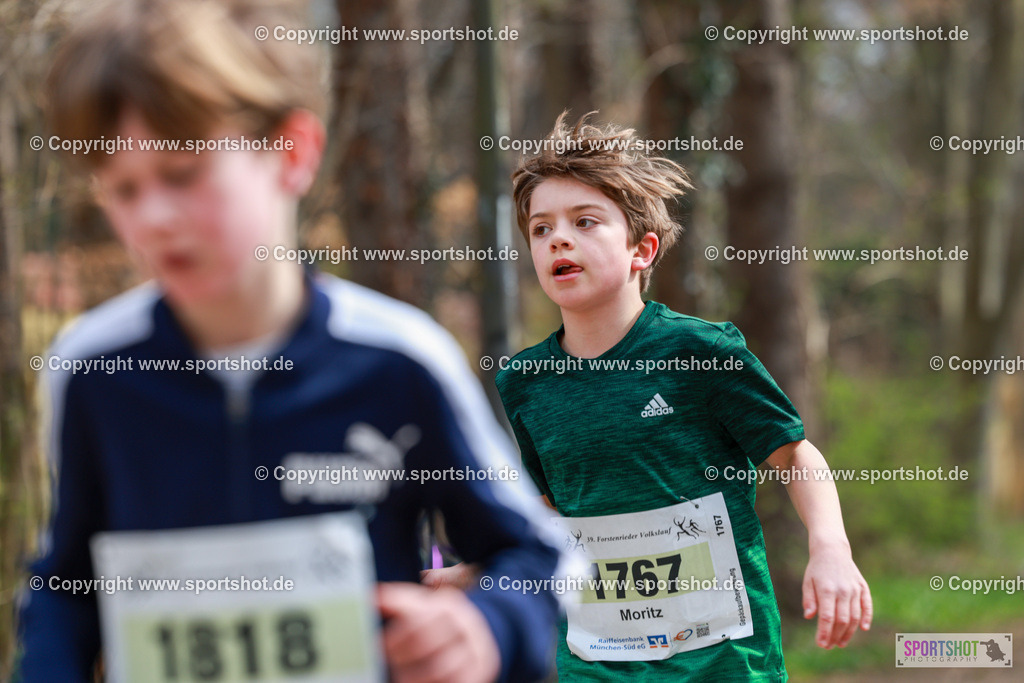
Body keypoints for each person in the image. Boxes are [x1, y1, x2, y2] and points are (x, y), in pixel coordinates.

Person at [17, 2, 560, 681]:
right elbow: (66, 587)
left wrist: (484, 627)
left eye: (183, 173)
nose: (152, 217)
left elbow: (544, 560)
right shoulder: (91, 370)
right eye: (122, 188)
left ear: (292, 152)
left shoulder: (398, 361)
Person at [493, 111, 872, 681]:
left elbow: (794, 455)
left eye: (585, 221)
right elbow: (550, 510)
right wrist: (482, 566)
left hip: (720, 662)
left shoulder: (700, 351)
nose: (559, 238)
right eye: (541, 229)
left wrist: (831, 549)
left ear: (641, 250)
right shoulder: (524, 382)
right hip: (594, 664)